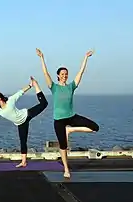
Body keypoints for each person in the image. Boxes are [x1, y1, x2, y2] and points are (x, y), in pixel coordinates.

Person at [36, 48, 99, 178]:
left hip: (71, 117)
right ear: (58, 75)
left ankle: (71, 130)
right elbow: (45, 72)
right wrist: (42, 57)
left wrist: (85, 58)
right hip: (59, 120)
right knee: (63, 146)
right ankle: (66, 168)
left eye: (66, 74)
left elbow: (81, 73)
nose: (65, 76)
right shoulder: (54, 87)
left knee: (95, 128)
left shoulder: (71, 87)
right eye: (62, 74)